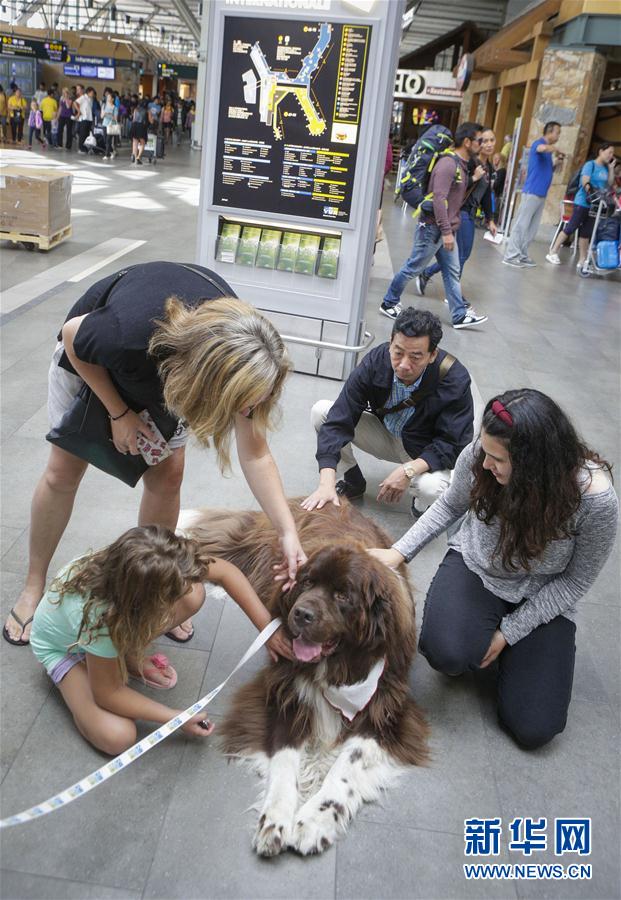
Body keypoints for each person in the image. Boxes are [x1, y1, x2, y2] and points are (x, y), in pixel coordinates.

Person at [3, 261, 305, 646]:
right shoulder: (125, 335)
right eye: (241, 406)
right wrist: (119, 413)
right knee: (63, 472)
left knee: (168, 477)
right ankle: (33, 584)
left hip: (171, 371)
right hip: (92, 363)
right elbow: (74, 336)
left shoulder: (245, 351)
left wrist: (287, 531)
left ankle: (153, 587)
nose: (246, 415)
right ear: (211, 385)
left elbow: (256, 455)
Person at [369, 389, 618, 749]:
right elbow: (449, 506)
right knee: (446, 653)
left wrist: (509, 634)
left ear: (535, 464)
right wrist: (399, 552)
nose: (486, 464)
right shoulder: (482, 455)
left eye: (498, 459)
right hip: (478, 569)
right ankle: (483, 637)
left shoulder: (595, 501)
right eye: (485, 452)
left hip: (543, 595)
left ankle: (510, 651)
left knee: (534, 729)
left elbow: (575, 582)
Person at [30, 525, 293, 755]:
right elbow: (108, 694)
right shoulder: (100, 619)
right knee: (117, 736)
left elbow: (226, 573)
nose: (179, 598)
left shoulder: (156, 561)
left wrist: (268, 629)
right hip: (63, 649)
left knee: (194, 594)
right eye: (167, 599)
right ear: (141, 604)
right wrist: (175, 718)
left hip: (110, 628)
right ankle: (82, 679)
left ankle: (119, 656)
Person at [303, 307, 474, 518]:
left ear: (432, 355)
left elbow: (453, 444)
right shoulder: (377, 360)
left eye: (415, 357)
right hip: (385, 433)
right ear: (391, 341)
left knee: (431, 487)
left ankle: (421, 506)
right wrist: (326, 483)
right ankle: (352, 479)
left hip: (422, 450)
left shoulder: (453, 378)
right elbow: (341, 417)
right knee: (322, 411)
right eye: (398, 352)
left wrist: (408, 470)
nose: (403, 365)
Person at [380, 122, 488, 331]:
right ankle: (389, 302)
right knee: (414, 267)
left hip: (445, 228)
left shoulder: (462, 166)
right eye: (479, 140)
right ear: (467, 142)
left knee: (451, 272)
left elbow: (455, 198)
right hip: (433, 229)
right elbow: (439, 199)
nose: (481, 145)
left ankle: (459, 315)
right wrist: (447, 232)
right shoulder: (449, 164)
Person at [416, 128, 498, 307]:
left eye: (492, 140)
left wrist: (490, 218)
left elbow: (485, 195)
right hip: (460, 212)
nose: (489, 144)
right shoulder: (470, 163)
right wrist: (474, 178)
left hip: (471, 212)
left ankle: (427, 274)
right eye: (484, 140)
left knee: (461, 255)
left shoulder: (488, 166)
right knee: (458, 256)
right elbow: (456, 188)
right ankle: (453, 295)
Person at [546, 143, 616, 276]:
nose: (611, 155)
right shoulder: (590, 165)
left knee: (586, 233)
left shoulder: (606, 169)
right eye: (609, 152)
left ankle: (582, 259)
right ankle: (553, 251)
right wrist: (591, 191)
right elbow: (585, 180)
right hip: (583, 201)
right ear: (601, 151)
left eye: (612, 153)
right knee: (571, 226)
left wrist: (612, 169)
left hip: (595, 205)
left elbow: (609, 183)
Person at [503, 122, 565, 268]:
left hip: (541, 193)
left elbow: (548, 169)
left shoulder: (548, 153)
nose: (558, 136)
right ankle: (510, 255)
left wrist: (557, 162)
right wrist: (555, 148)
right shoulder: (540, 144)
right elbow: (540, 148)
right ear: (549, 132)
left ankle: (522, 254)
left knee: (532, 228)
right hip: (531, 192)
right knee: (521, 225)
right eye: (557, 132)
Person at [73, 84, 93, 154]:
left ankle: (85, 148)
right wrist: (79, 111)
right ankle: (81, 148)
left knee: (86, 134)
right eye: (92, 93)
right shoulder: (83, 97)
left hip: (89, 119)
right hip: (84, 118)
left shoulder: (90, 99)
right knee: (82, 134)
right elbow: (75, 103)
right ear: (89, 92)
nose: (92, 94)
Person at [130, 98, 149, 164]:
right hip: (142, 126)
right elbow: (150, 120)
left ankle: (133, 155)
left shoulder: (135, 110)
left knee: (135, 141)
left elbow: (133, 119)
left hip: (134, 125)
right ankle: (138, 157)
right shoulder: (147, 111)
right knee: (142, 143)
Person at [101, 88, 118, 160]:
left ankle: (107, 154)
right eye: (107, 97)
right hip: (104, 124)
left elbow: (115, 118)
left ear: (113, 99)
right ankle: (112, 151)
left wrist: (108, 114)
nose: (107, 98)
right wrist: (104, 114)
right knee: (105, 140)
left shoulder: (115, 108)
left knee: (108, 140)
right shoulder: (104, 105)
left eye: (109, 97)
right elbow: (101, 116)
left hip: (111, 125)